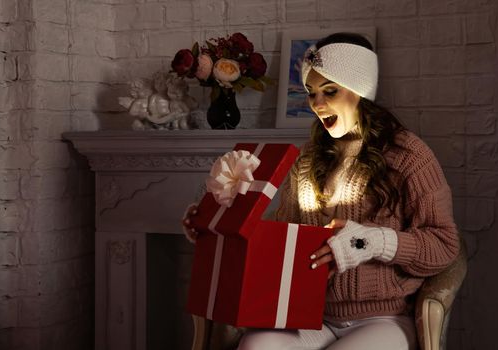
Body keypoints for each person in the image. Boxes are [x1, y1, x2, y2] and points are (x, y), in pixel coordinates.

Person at [182, 32, 460, 350]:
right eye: (311, 93)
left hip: (384, 318)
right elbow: (284, 234)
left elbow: (444, 246)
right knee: (256, 346)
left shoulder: (408, 155)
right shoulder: (309, 158)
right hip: (312, 316)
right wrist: (215, 225)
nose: (317, 104)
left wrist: (370, 241)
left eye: (329, 91)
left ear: (361, 90)